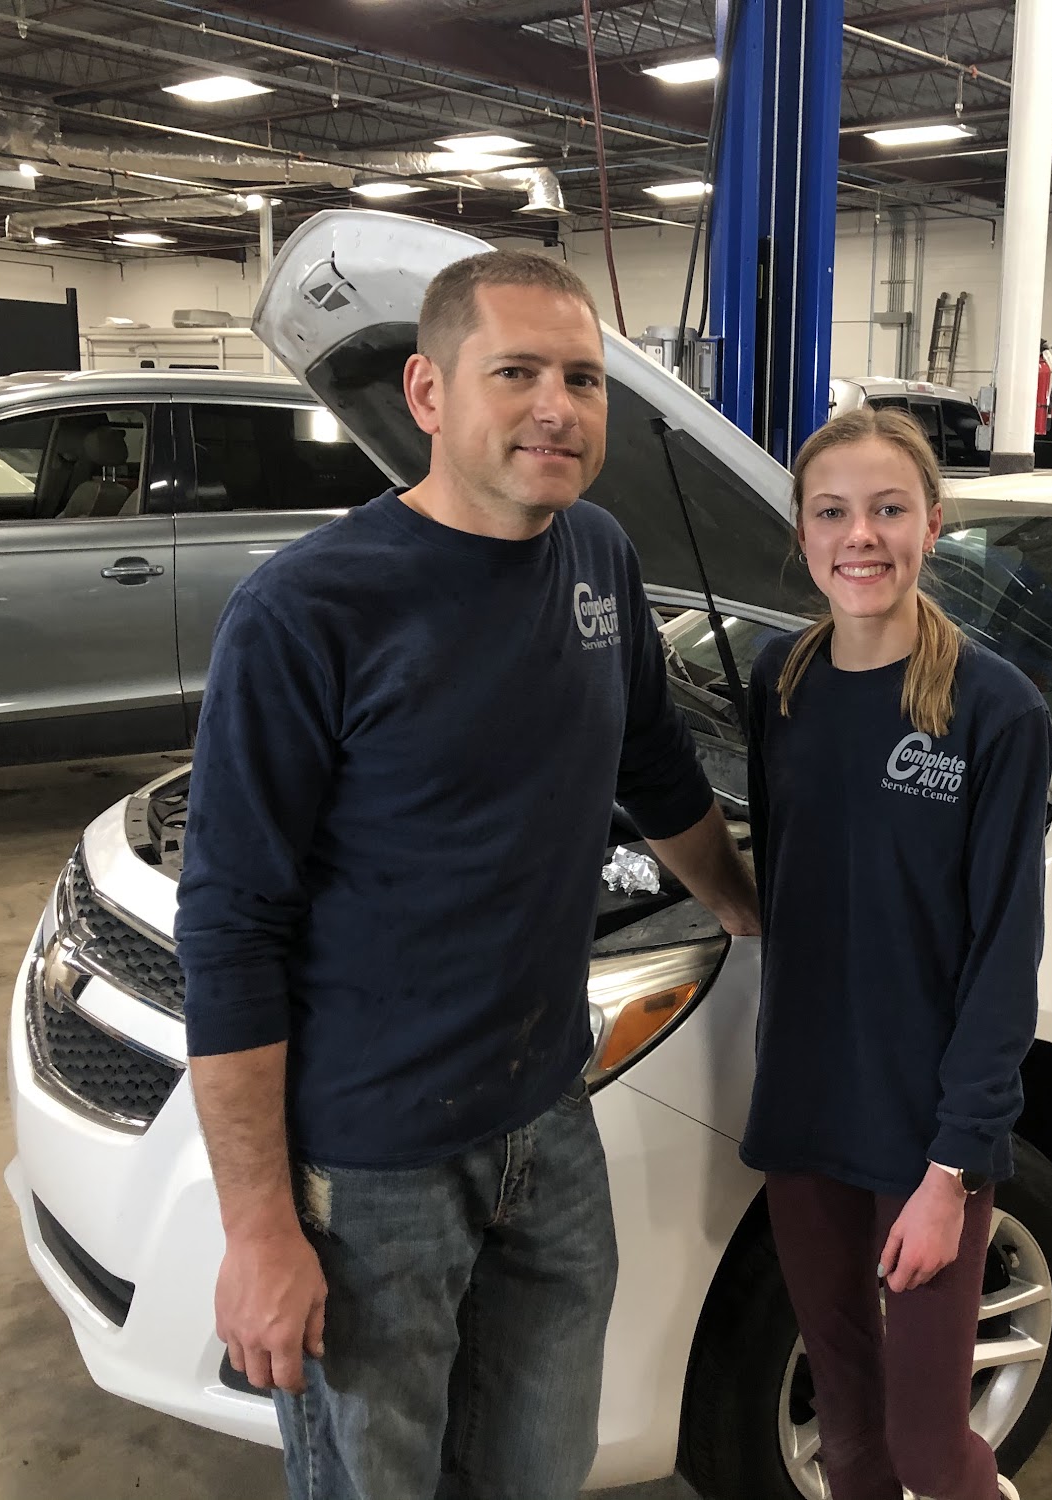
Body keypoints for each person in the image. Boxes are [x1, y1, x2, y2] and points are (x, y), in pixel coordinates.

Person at [175, 248, 759, 1500]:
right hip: (373, 1159)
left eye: (583, 379)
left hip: (548, 1114)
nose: (558, 407)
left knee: (539, 1466)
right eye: (516, 373)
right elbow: (230, 928)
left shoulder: (597, 556)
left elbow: (654, 767)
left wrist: (745, 906)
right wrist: (259, 1227)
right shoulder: (306, 610)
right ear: (428, 394)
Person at [740, 407, 1052, 1500]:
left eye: (887, 509)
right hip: (803, 1111)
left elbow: (1004, 954)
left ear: (932, 524)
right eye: (832, 512)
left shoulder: (995, 711)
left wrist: (952, 1169)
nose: (859, 536)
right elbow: (788, 878)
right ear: (802, 532)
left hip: (927, 1136)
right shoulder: (780, 680)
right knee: (845, 1425)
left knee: (926, 1442)